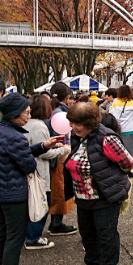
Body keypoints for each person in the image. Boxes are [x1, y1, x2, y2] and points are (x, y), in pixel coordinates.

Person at [0, 93, 63, 265]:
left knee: (1, 234)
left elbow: (17, 153)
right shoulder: (16, 137)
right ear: (15, 113)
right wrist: (41, 151)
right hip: (13, 195)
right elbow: (28, 164)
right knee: (14, 238)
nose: (29, 116)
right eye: (26, 113)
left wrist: (42, 146)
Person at [64, 103, 133, 265]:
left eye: (77, 123)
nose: (73, 127)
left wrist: (108, 175)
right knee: (87, 233)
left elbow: (128, 162)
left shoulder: (107, 138)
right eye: (71, 123)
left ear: (89, 122)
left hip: (104, 196)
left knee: (106, 234)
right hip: (82, 195)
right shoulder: (77, 136)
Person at [24, 96, 70, 250]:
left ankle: (29, 235)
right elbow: (42, 152)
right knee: (42, 202)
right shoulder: (39, 126)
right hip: (39, 170)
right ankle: (33, 237)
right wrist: (62, 150)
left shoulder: (26, 124)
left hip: (28, 170)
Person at [46, 82, 78, 236]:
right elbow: (63, 138)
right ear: (67, 97)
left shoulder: (49, 110)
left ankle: (55, 222)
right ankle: (56, 224)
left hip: (51, 156)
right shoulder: (60, 114)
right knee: (60, 190)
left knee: (56, 190)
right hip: (60, 157)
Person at [110, 85, 133, 166]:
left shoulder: (115, 102)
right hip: (131, 129)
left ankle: (122, 164)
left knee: (120, 149)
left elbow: (111, 115)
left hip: (119, 129)